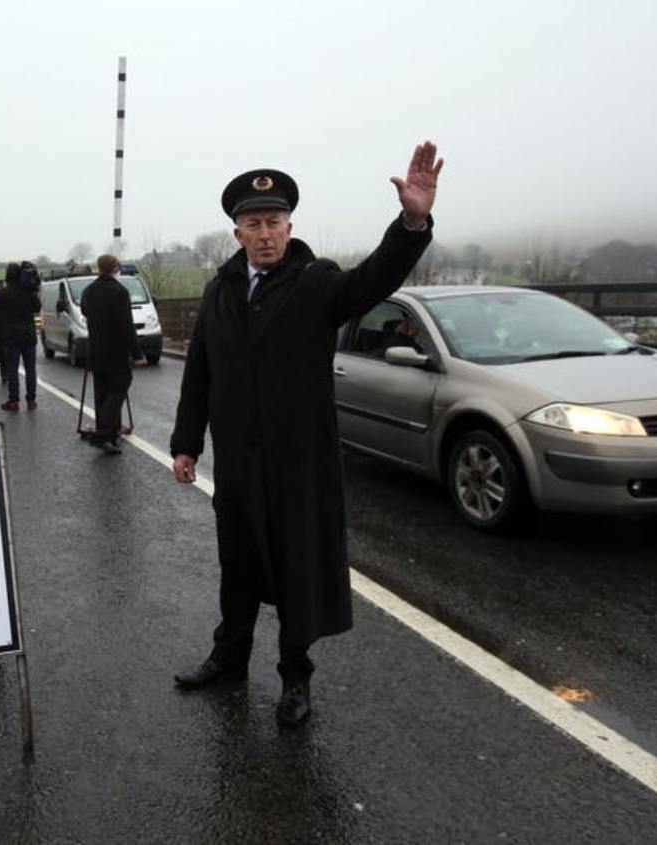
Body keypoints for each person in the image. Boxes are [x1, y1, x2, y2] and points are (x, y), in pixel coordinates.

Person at [169, 142, 443, 728]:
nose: (264, 233)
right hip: (239, 463)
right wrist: (186, 442)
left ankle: (296, 679)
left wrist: (412, 222)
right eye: (253, 223)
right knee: (238, 567)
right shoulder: (219, 291)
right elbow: (201, 371)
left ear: (290, 227)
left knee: (296, 570)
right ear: (236, 232)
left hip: (299, 464)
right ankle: (229, 659)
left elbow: (373, 280)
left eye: (274, 222)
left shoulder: (317, 283)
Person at [80, 253, 145, 454]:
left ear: (99, 268)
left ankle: (112, 434)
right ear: (116, 267)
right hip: (116, 351)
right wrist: (137, 353)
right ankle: (104, 433)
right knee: (118, 389)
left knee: (102, 393)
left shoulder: (89, 291)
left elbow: (84, 311)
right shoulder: (120, 292)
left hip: (96, 350)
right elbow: (126, 326)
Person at [0, 262, 41, 410]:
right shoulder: (29, 292)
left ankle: (14, 400)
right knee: (30, 369)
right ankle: (31, 400)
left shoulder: (2, 293)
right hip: (28, 334)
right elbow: (37, 308)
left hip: (11, 336)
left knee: (12, 370)